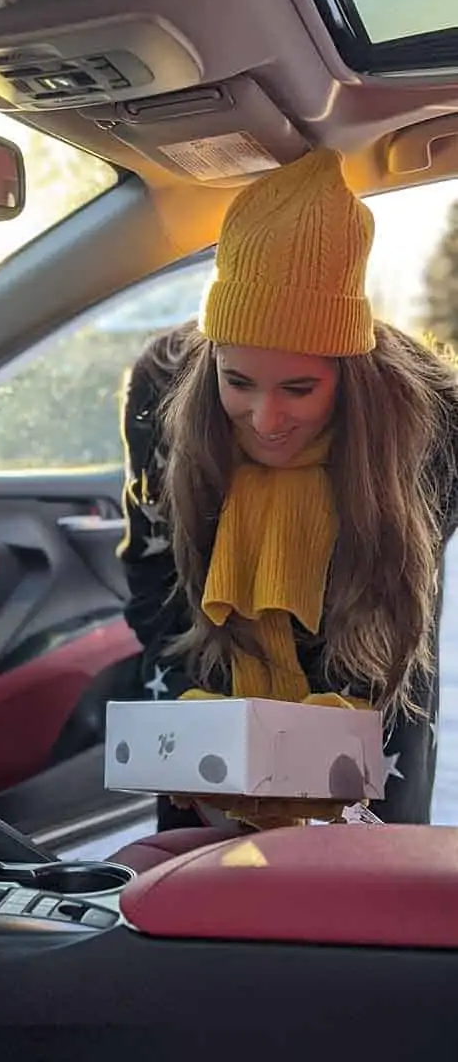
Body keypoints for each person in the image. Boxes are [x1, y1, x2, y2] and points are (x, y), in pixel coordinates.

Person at [119, 148, 458, 832]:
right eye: (238, 382)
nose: (267, 420)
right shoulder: (164, 388)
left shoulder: (432, 418)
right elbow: (153, 569)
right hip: (207, 719)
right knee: (205, 923)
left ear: (349, 371)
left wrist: (344, 712)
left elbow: (398, 600)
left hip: (369, 733)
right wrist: (185, 708)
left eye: (300, 388)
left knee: (354, 926)